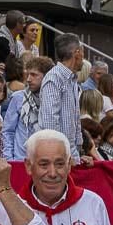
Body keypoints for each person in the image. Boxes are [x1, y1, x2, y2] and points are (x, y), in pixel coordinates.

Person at [39, 32, 87, 160]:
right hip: (60, 158)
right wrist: (61, 157)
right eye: (83, 52)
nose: (84, 57)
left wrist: (79, 152)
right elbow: (50, 123)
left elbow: (75, 121)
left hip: (71, 155)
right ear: (77, 53)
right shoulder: (53, 78)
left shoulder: (72, 79)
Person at [2, 55, 51, 160]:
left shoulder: (53, 101)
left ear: (47, 77)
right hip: (20, 160)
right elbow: (7, 131)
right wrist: (9, 159)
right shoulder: (18, 97)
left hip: (45, 161)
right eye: (27, 74)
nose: (28, 79)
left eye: (34, 75)